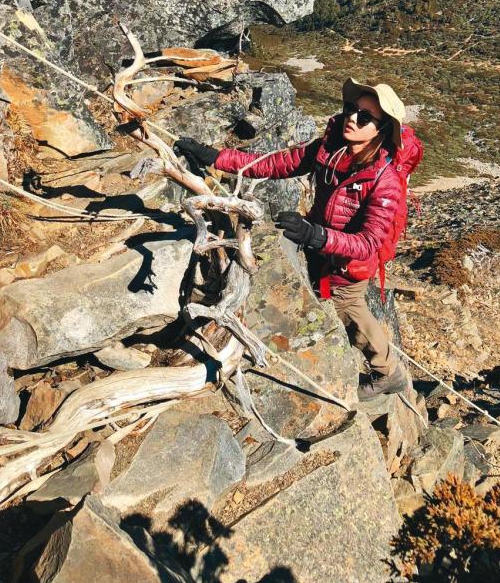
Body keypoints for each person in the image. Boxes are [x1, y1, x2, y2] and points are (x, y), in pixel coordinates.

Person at [174, 78, 413, 399]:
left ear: (381, 130)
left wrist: (316, 235)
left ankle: (388, 373)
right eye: (350, 110)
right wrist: (214, 157)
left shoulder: (386, 182)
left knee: (347, 308)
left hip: (346, 264)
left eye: (365, 117)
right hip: (318, 248)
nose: (352, 118)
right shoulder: (331, 149)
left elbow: (368, 244)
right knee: (322, 302)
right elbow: (275, 164)